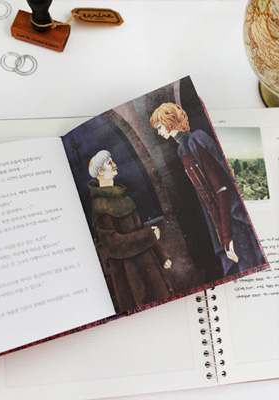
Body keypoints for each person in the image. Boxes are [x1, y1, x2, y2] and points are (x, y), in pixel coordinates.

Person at [150, 102, 264, 276]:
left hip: (232, 217)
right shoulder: (182, 150)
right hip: (217, 219)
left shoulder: (197, 139)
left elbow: (221, 188)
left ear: (170, 120)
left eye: (159, 127)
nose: (159, 132)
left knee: (249, 265)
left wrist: (227, 234)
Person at [88, 150, 174, 312]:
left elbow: (139, 228)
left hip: (147, 263)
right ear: (100, 172)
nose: (114, 165)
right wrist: (148, 235)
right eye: (109, 163)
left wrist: (161, 255)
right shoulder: (100, 205)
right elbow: (112, 244)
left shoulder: (122, 196)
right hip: (130, 273)